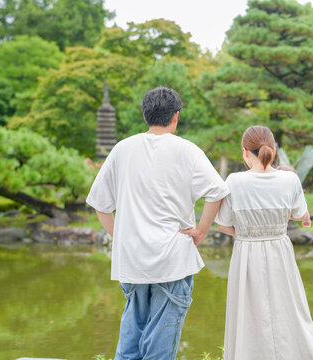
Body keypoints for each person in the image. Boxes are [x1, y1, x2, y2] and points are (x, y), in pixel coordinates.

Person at [86, 86, 229, 360]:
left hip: (132, 261)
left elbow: (101, 205)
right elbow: (217, 192)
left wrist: (121, 237)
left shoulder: (122, 149)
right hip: (172, 259)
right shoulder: (187, 150)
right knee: (159, 351)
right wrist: (201, 230)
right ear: (176, 116)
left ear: (145, 115)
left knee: (130, 345)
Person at [215, 125, 313, 360]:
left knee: (247, 314)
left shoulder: (234, 182)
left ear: (245, 152)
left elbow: (223, 224)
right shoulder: (289, 179)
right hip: (280, 250)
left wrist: (247, 233)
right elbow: (299, 213)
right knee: (288, 309)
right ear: (273, 150)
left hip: (246, 251)